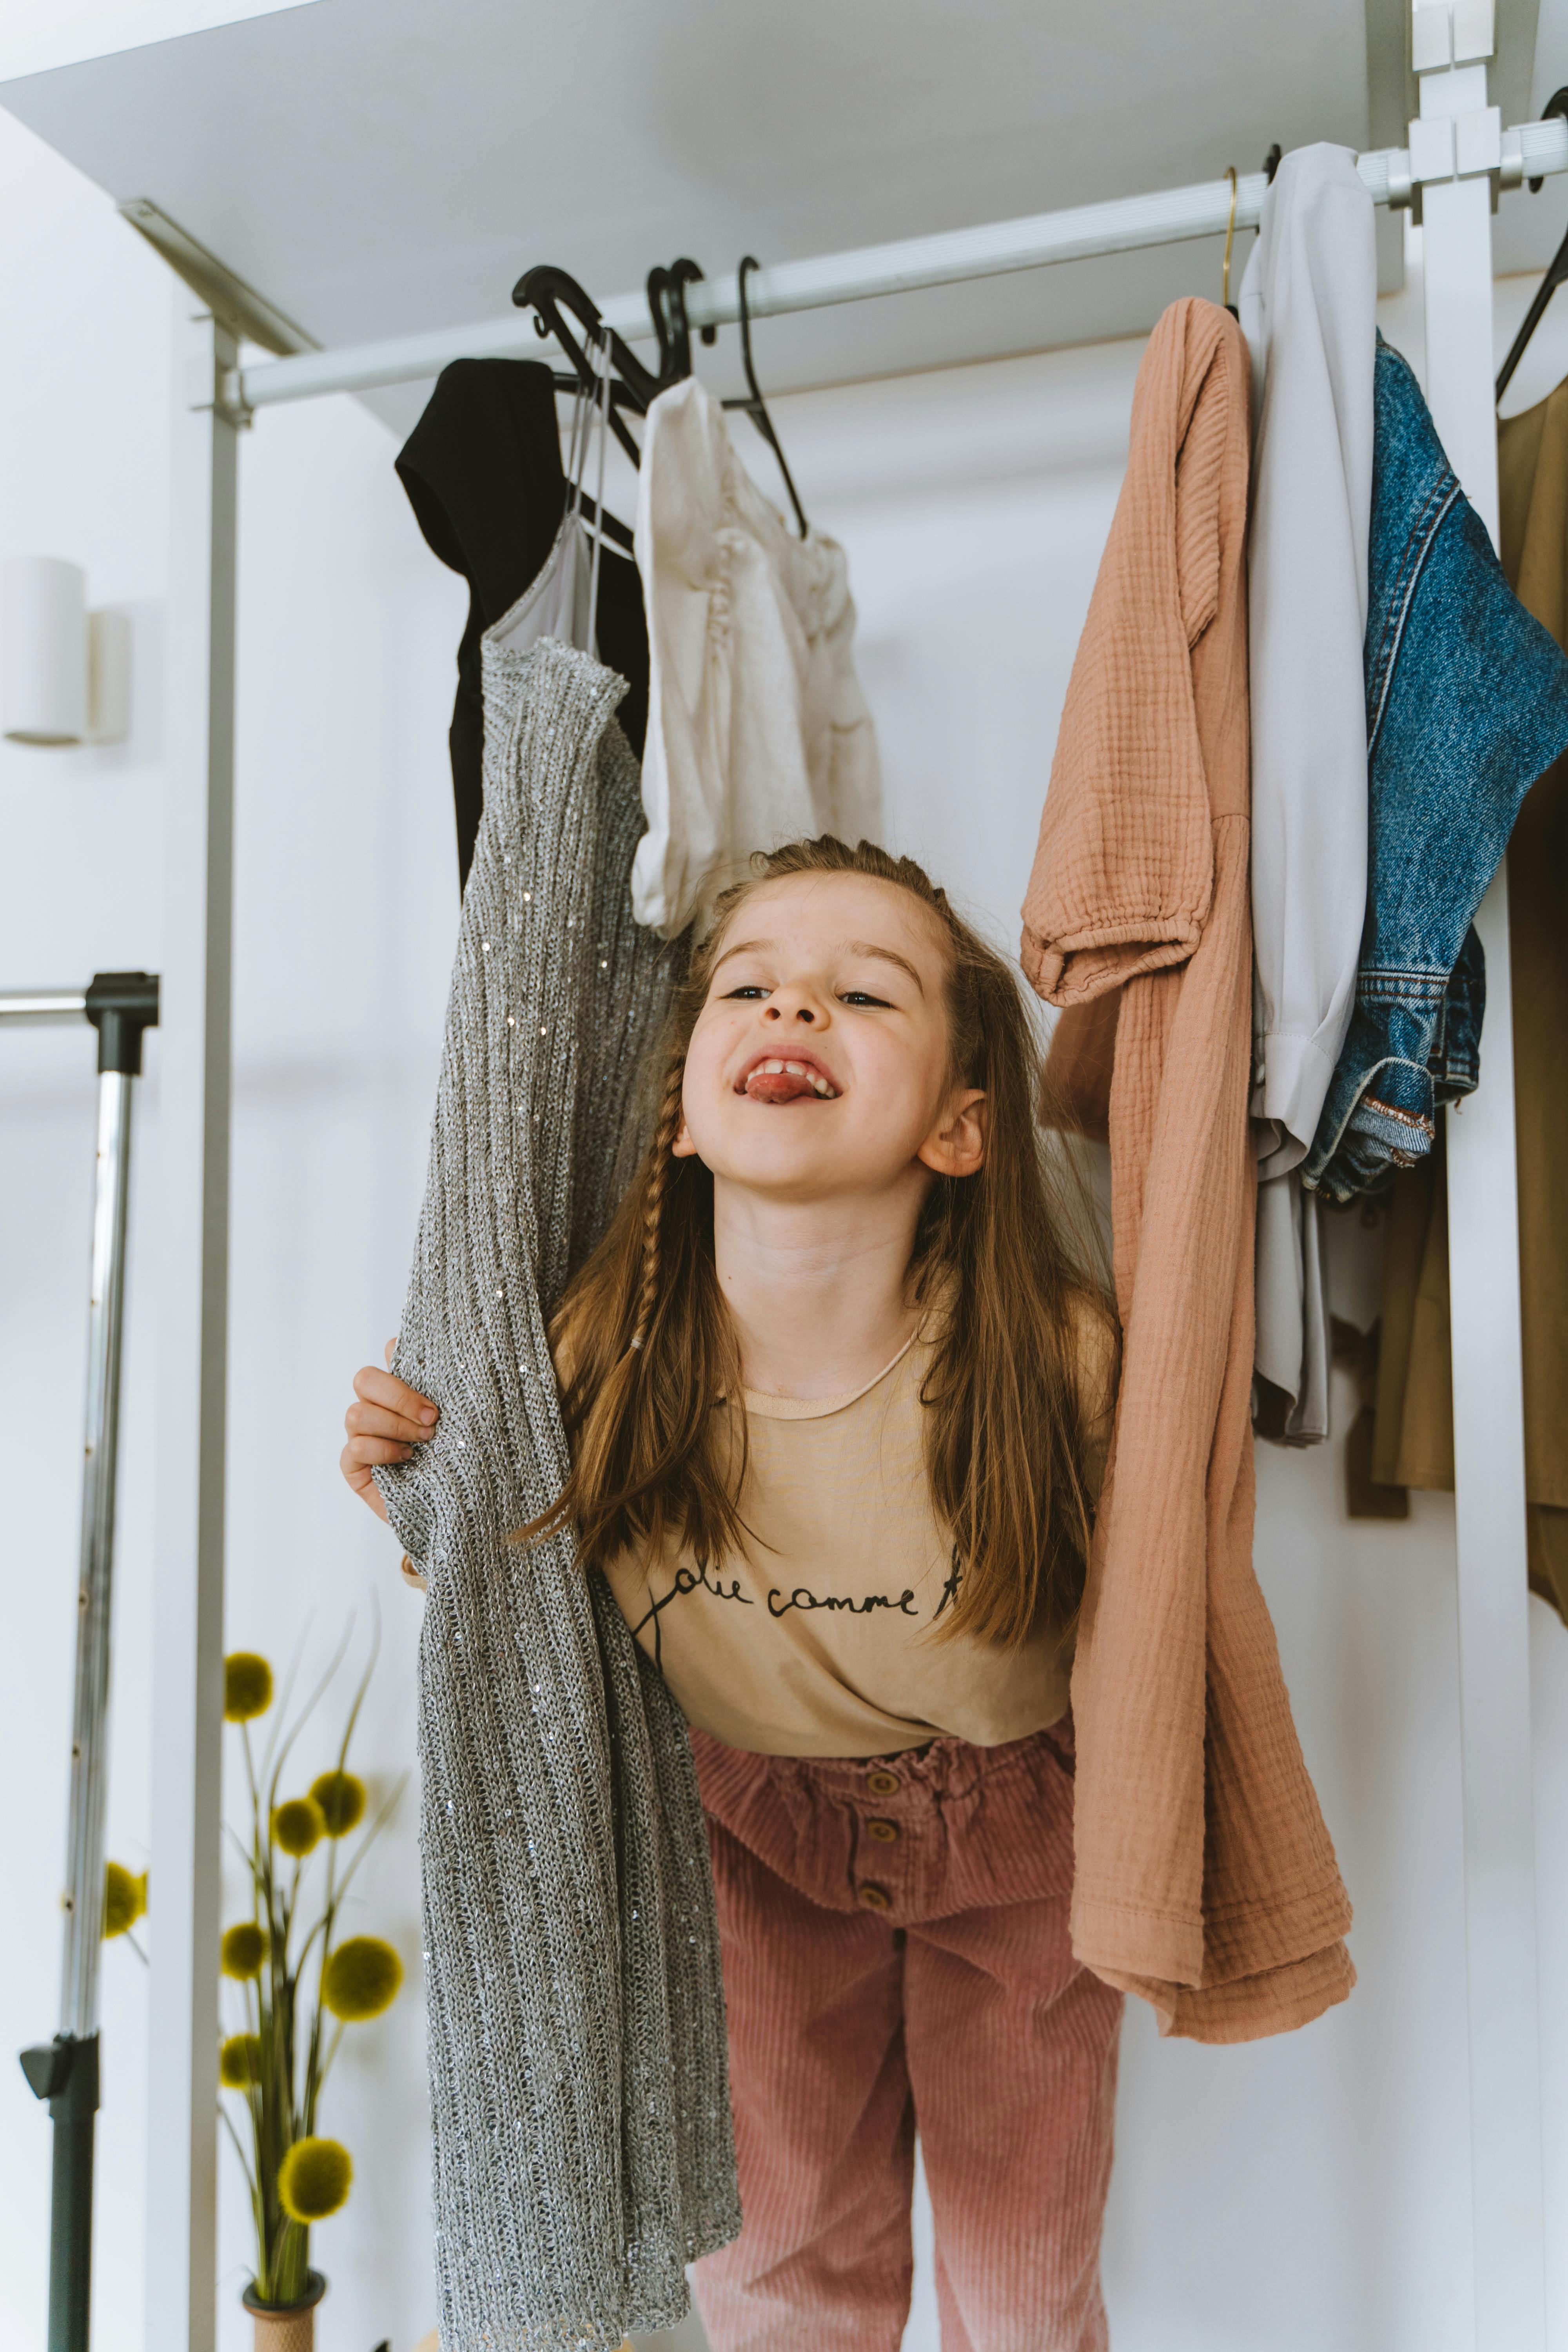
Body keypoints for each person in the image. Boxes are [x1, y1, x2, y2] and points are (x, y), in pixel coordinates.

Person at [341, 836, 1122, 2352]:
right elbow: (507, 1604)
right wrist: (408, 1482)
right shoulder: (595, 1360)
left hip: (1025, 1833)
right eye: (750, 987)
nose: (795, 1012)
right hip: (743, 1828)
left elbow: (1164, 1629)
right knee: (775, 2277)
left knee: (1028, 2286)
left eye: (863, 996)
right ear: (685, 1107)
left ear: (963, 1127)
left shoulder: (1054, 1357)